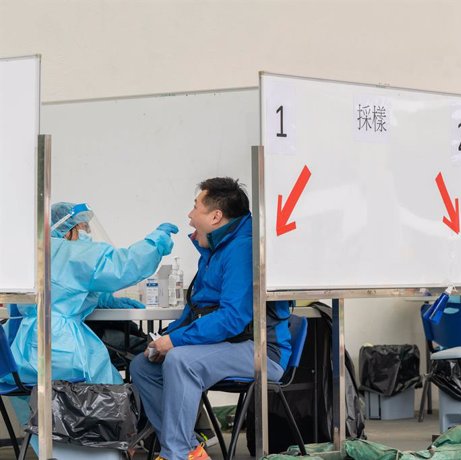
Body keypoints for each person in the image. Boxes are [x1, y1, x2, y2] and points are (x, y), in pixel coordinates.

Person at [130, 177, 292, 460]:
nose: (190, 216)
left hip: (260, 349)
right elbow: (197, 308)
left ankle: (177, 454)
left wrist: (176, 341)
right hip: (229, 344)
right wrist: (165, 338)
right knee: (143, 365)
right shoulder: (215, 250)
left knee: (181, 361)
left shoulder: (242, 249)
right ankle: (188, 448)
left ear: (216, 216)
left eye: (196, 207)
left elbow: (232, 318)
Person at [5, 201, 177, 451]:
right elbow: (122, 266)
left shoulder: (40, 251)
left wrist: (110, 301)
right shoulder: (67, 251)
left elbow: (72, 286)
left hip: (25, 349)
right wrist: (155, 243)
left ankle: (70, 447)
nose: (86, 233)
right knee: (111, 386)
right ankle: (110, 448)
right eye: (82, 227)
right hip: (60, 346)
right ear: (67, 230)